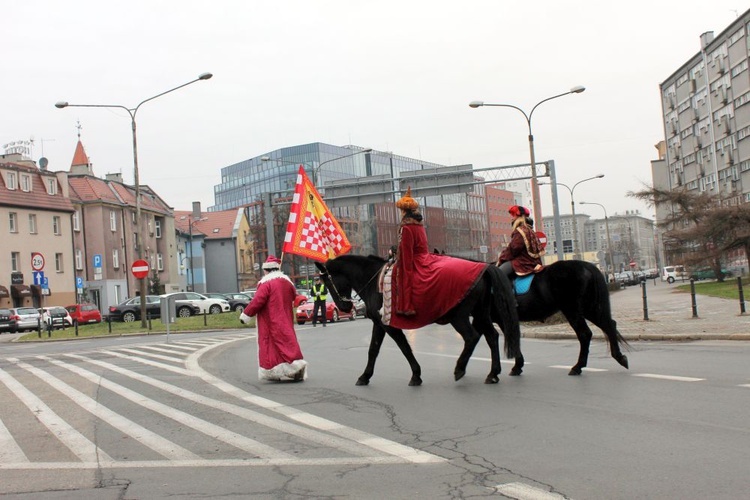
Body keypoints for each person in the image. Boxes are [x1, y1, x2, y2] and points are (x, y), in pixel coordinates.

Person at [381, 187, 487, 329]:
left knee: (390, 278)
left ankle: (399, 309)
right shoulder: (419, 225)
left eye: (400, 211)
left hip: (416, 260)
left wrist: (400, 267)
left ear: (403, 211)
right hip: (427, 256)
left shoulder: (406, 227)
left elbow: (407, 254)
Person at [239, 255, 307, 381]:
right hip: (286, 318)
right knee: (288, 342)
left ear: (266, 270)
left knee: (270, 346)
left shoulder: (266, 283)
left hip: (269, 320)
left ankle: (275, 371)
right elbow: (294, 296)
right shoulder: (287, 282)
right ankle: (296, 366)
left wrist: (246, 314)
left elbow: (258, 300)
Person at [497, 205, 545, 280]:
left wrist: (502, 258)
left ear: (519, 218)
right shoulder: (530, 230)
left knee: (498, 274)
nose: (512, 218)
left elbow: (513, 249)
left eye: (513, 216)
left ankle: (506, 291)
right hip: (535, 262)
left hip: (523, 263)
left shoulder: (520, 231)